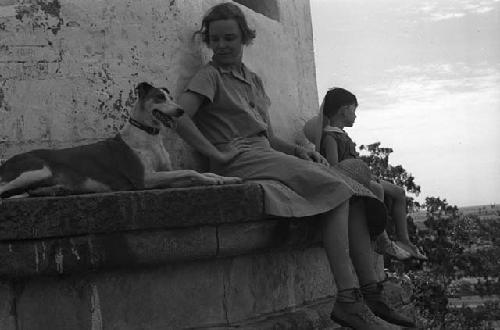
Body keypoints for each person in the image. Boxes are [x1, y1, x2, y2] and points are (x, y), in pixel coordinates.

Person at [174, 3, 414, 328]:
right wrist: (214, 154)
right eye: (214, 39)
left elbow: (269, 137)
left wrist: (301, 154)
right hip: (240, 159)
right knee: (338, 187)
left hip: (266, 155)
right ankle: (347, 300)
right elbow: (176, 115)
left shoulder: (252, 81)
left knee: (355, 195)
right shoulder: (210, 76)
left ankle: (371, 295)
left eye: (229, 38)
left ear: (244, 38)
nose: (221, 45)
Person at [304, 87, 427, 261]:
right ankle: (382, 239)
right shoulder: (331, 137)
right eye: (354, 110)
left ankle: (404, 240)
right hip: (351, 180)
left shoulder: (341, 135)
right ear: (344, 109)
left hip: (361, 177)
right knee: (378, 189)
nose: (355, 115)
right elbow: (334, 168)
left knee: (399, 192)